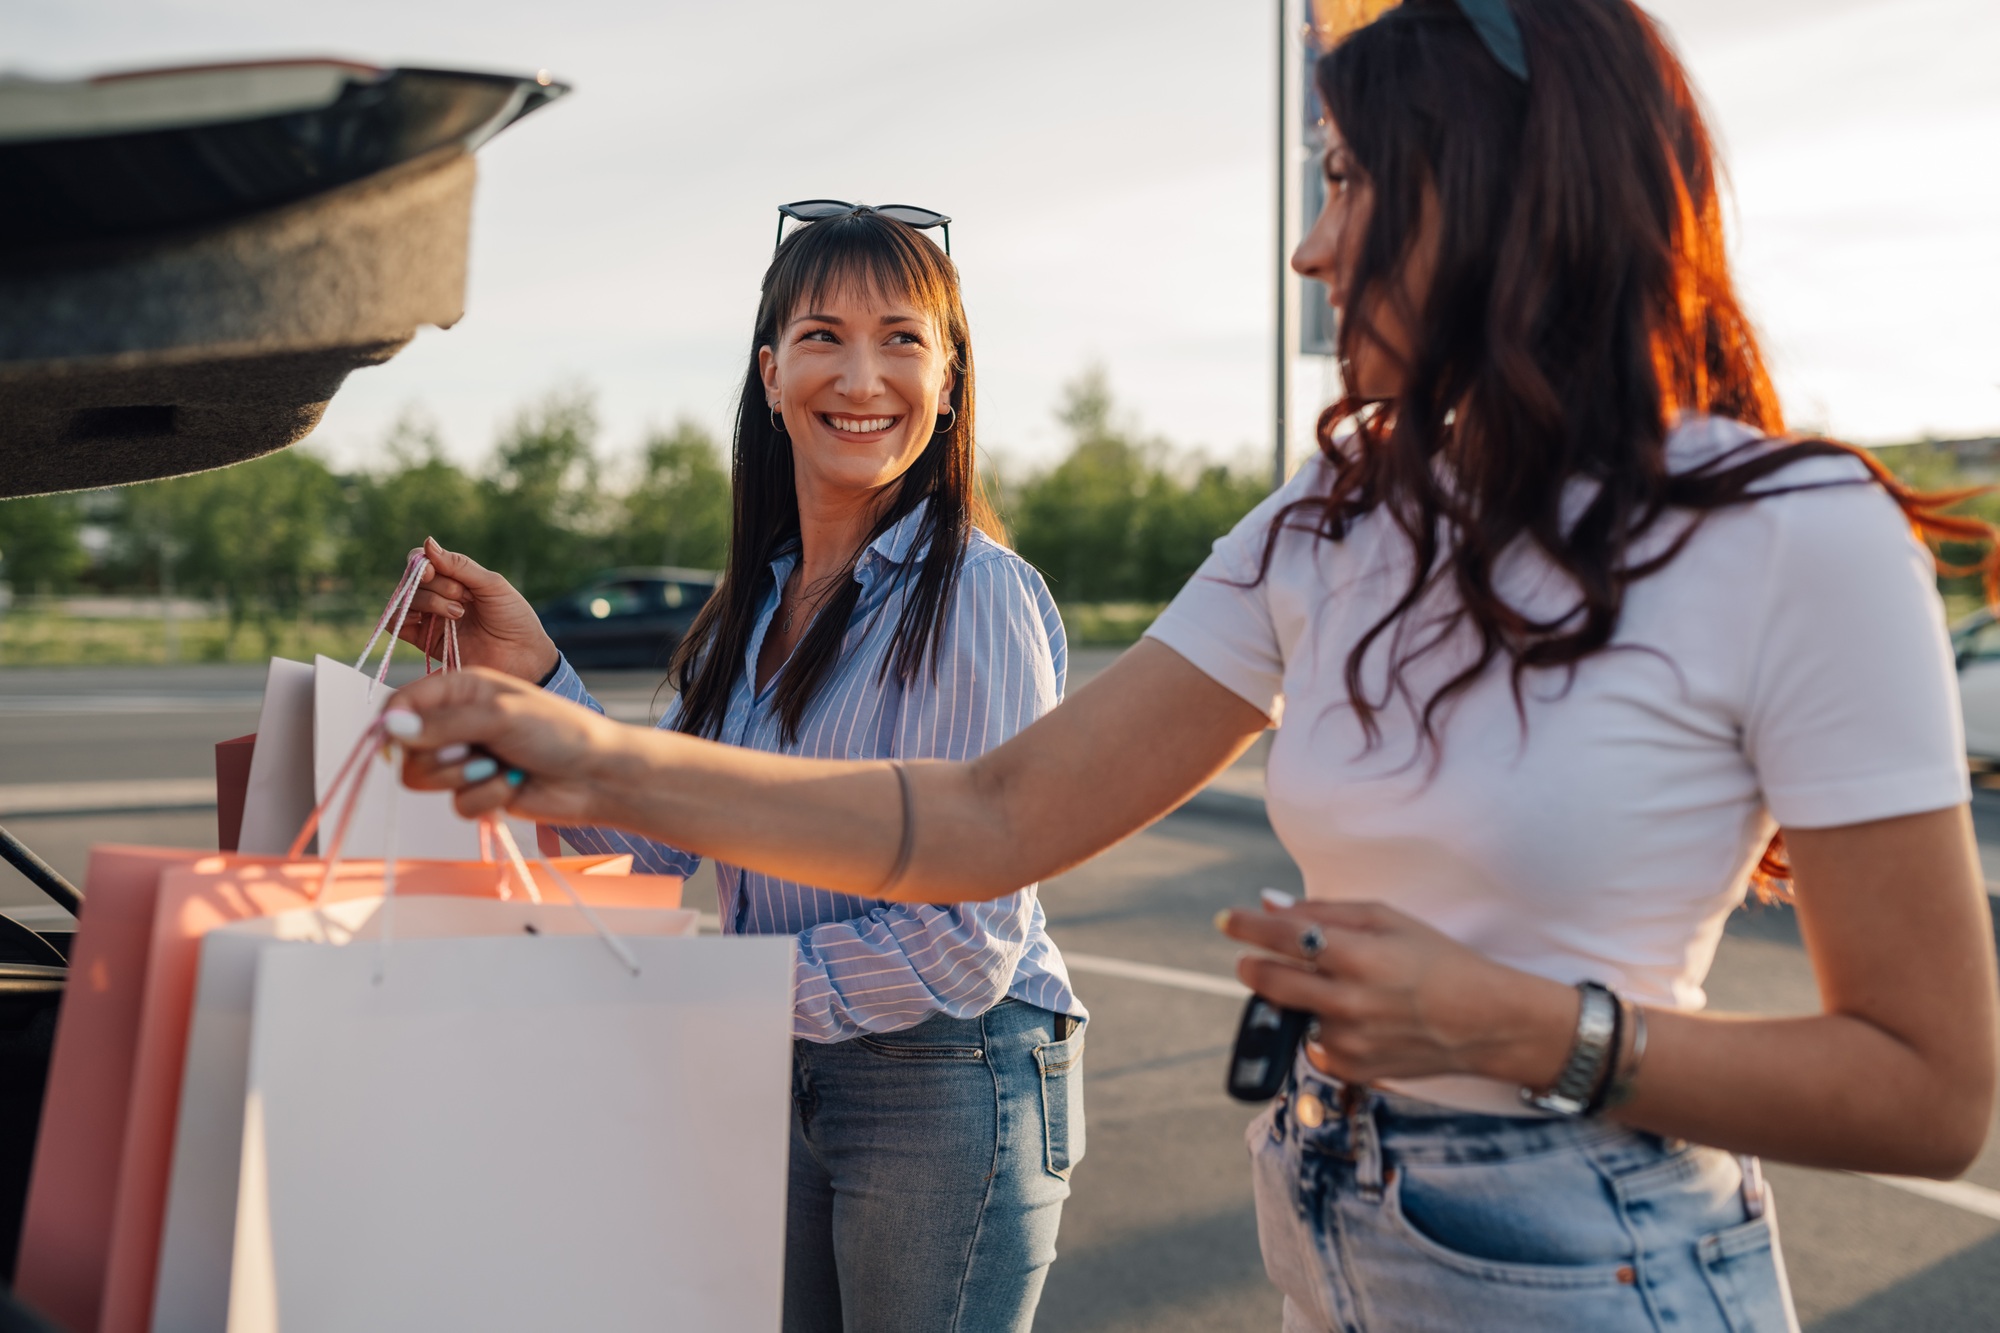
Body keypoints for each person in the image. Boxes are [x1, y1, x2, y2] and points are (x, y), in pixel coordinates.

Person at [383, 2, 1999, 1328]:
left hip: (1602, 1252)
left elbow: (1928, 1092)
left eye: (1353, 182)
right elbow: (990, 816)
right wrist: (584, 752)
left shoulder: (1795, 530)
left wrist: (1530, 1025)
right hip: (1325, 1210)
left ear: (1503, 197)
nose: (1312, 248)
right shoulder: (1332, 519)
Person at [391, 205, 1086, 1333]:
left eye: (903, 339)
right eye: (821, 335)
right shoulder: (743, 614)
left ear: (950, 383)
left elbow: (967, 939)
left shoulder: (974, 593)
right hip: (783, 1058)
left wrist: (725, 994)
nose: (861, 374)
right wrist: (539, 678)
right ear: (771, 376)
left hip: (945, 1072)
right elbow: (660, 842)